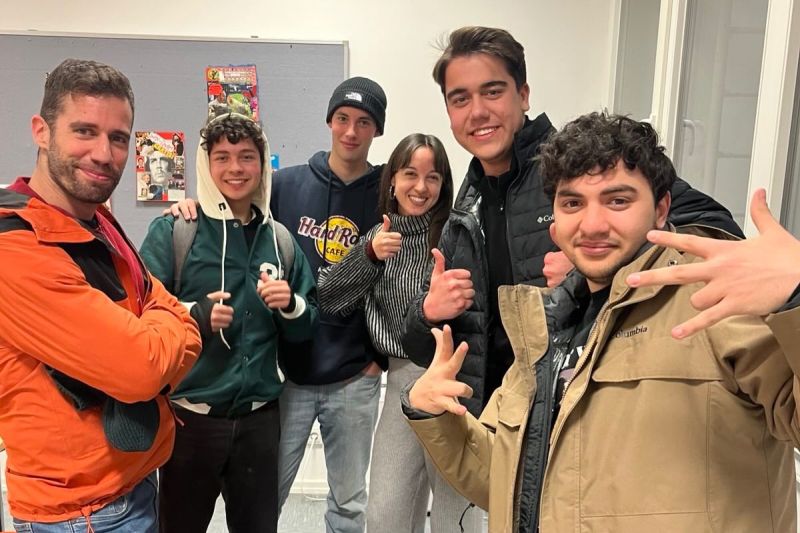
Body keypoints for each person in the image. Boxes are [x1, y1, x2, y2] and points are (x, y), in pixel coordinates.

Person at [404, 112, 800, 532]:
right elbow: (508, 479)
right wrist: (437, 417)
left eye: (618, 200)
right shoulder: (546, 328)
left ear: (662, 207)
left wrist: (795, 297)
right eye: (573, 202)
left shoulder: (714, 303)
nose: (592, 225)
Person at [401, 25, 744, 419]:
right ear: (449, 112)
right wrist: (429, 310)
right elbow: (424, 346)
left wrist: (598, 269)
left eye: (493, 91)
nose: (477, 111)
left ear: (524, 95)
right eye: (460, 99)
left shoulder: (577, 165)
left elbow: (715, 231)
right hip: (496, 429)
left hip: (577, 421)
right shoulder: (467, 203)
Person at [167, 76, 388, 532]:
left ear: (376, 130)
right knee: (268, 499)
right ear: (329, 121)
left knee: (349, 503)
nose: (351, 131)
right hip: (286, 377)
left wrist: (379, 357)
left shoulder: (387, 191)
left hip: (353, 375)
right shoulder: (285, 186)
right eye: (343, 119)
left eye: (364, 122)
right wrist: (194, 203)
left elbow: (402, 271)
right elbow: (236, 209)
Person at [0, 58, 201, 531]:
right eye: (84, 131)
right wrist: (171, 329)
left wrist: (160, 326)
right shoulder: (17, 248)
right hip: (80, 515)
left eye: (118, 138)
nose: (104, 154)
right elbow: (141, 369)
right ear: (41, 131)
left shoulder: (95, 219)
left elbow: (158, 301)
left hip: (131, 485)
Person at [139, 112, 319, 533]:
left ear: (262, 164)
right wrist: (192, 315)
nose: (235, 169)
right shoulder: (176, 231)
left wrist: (290, 305)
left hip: (260, 422)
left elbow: (308, 322)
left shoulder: (281, 241)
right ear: (206, 164)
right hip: (190, 420)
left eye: (246, 157)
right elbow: (140, 314)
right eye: (222, 157)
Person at [317, 134, 480, 532]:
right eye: (410, 174)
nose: (421, 188)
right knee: (386, 513)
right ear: (392, 179)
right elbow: (330, 299)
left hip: (453, 377)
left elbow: (475, 310)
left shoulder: (456, 234)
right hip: (402, 377)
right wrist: (368, 255)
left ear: (444, 185)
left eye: (433, 177)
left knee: (454, 513)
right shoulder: (379, 237)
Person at [626, 187, 800, 338]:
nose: (598, 224)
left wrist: (796, 293)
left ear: (661, 209)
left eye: (618, 201)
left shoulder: (729, 297)